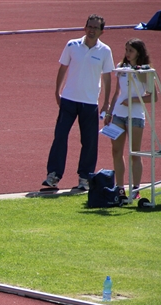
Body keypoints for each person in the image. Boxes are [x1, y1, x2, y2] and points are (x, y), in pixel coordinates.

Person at [43, 14, 114, 191]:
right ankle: (54, 175)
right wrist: (57, 92)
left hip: (90, 103)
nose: (91, 30)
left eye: (95, 28)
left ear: (102, 31)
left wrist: (106, 103)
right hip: (68, 99)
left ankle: (85, 177)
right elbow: (63, 68)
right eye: (89, 26)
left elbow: (107, 78)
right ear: (84, 27)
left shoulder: (105, 51)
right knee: (60, 136)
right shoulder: (72, 45)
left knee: (90, 141)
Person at [104, 38, 156, 200]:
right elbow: (117, 92)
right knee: (116, 151)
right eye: (126, 50)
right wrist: (109, 112)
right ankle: (120, 188)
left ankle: (135, 188)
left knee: (135, 153)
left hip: (135, 116)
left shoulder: (145, 71)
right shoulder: (121, 68)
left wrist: (133, 100)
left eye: (130, 51)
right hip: (119, 115)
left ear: (139, 53)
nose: (127, 54)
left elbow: (153, 97)